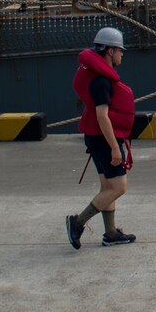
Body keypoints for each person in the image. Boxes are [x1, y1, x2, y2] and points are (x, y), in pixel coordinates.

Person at [65, 27, 138, 248]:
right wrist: (115, 147)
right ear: (110, 51)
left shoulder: (98, 77)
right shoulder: (102, 81)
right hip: (104, 139)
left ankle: (110, 234)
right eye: (120, 50)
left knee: (107, 187)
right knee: (118, 187)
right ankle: (77, 222)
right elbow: (102, 116)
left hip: (95, 137)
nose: (122, 54)